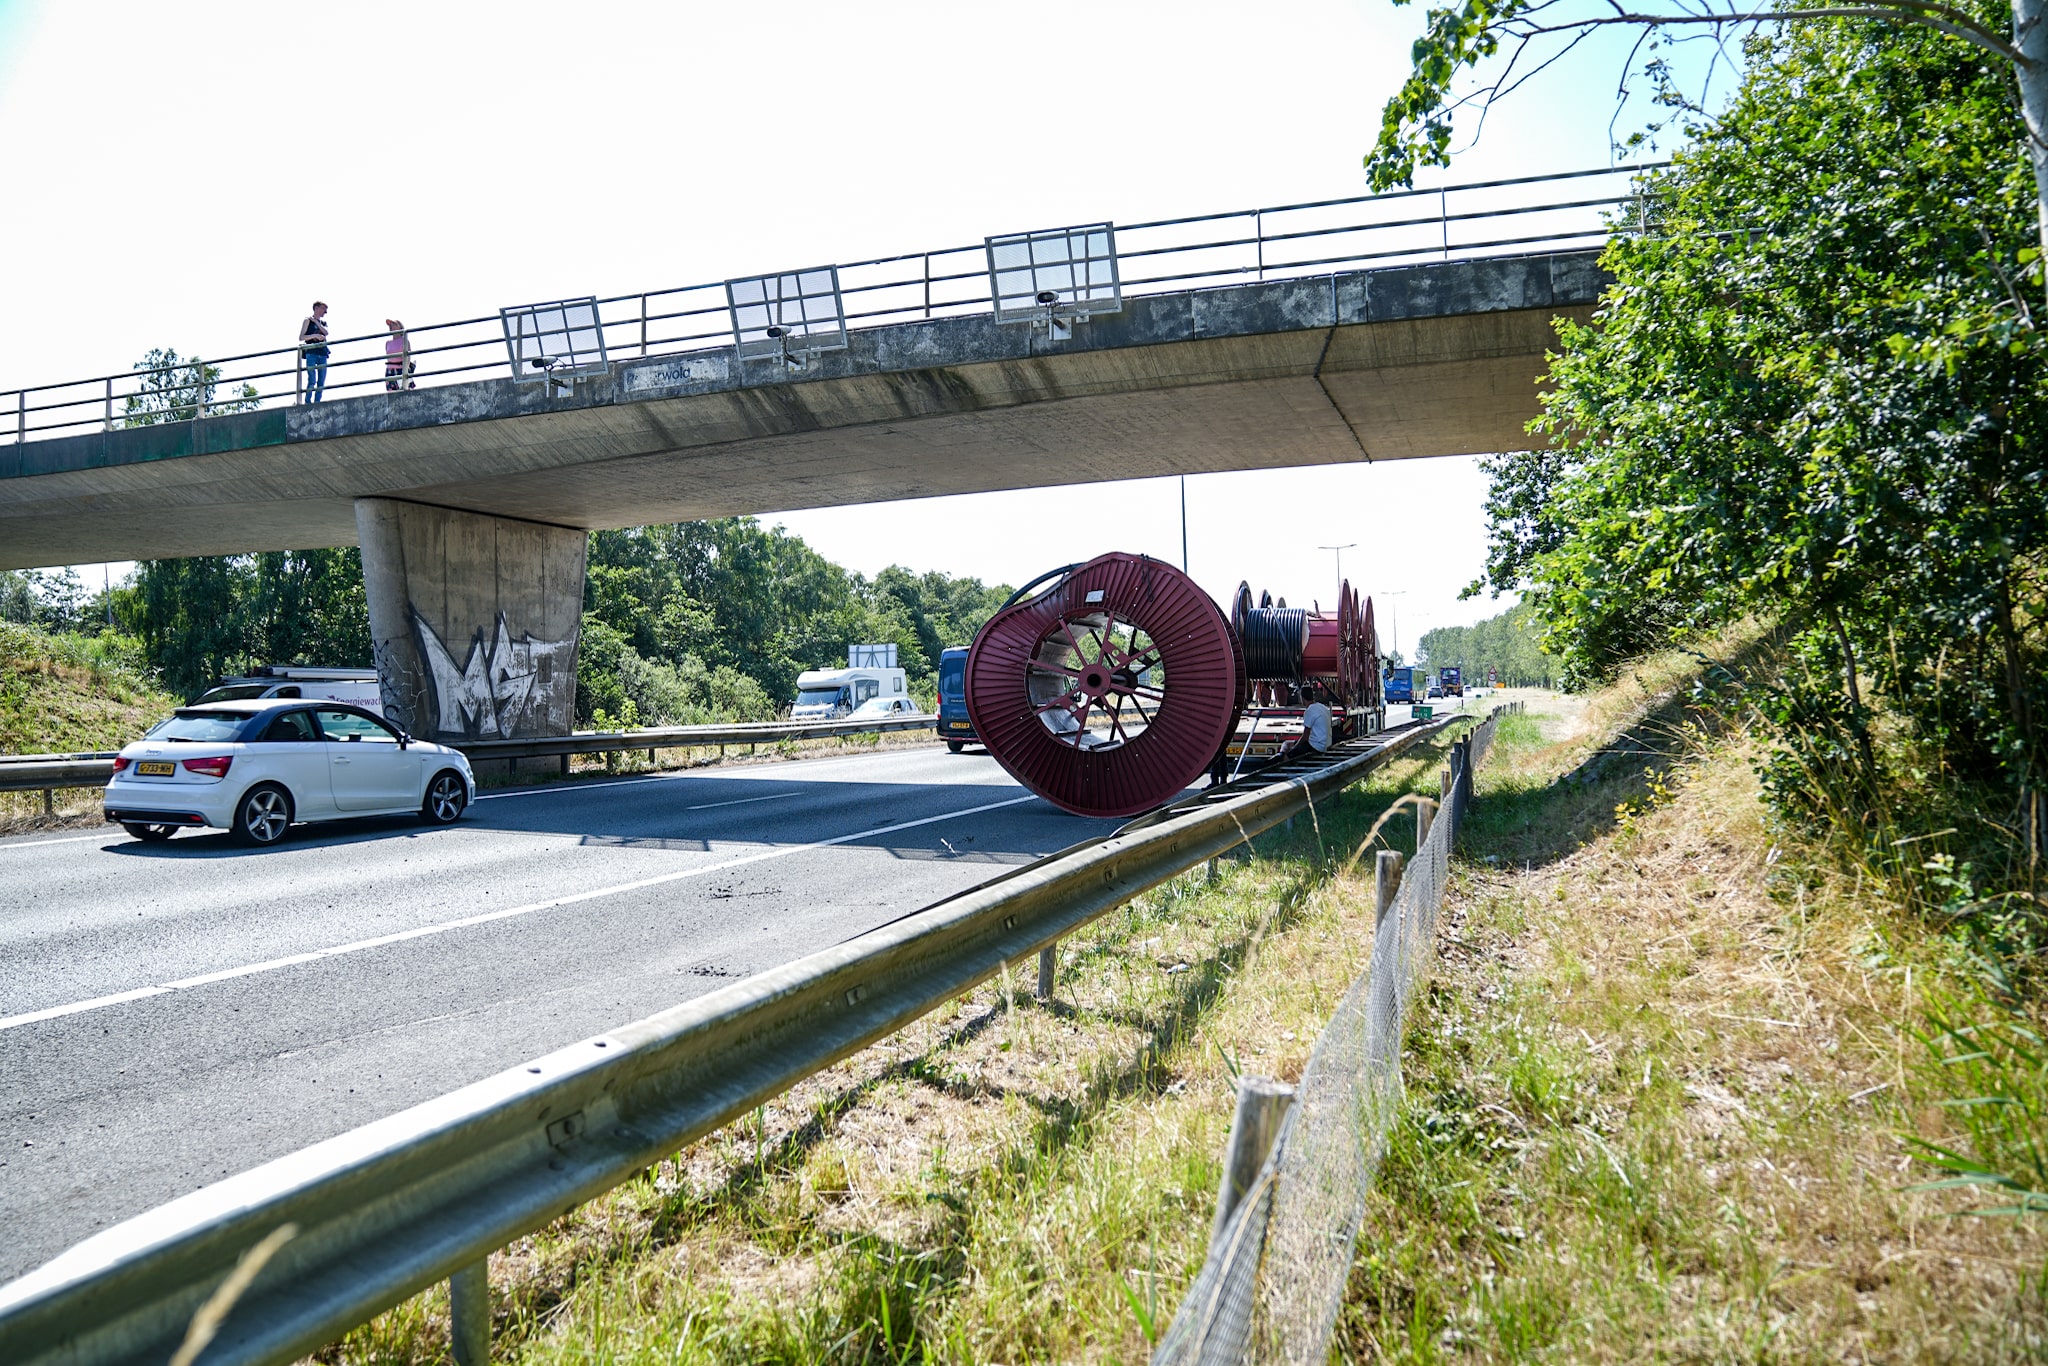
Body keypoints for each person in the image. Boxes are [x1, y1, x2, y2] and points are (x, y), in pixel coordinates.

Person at [299, 302, 330, 404]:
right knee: (312, 379)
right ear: (316, 308)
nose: (325, 312)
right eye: (323, 309)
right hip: (311, 352)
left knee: (321, 381)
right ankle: (307, 401)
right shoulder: (307, 321)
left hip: (322, 353)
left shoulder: (323, 323)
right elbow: (301, 337)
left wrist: (317, 323)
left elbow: (326, 333)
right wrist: (314, 336)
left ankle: (317, 402)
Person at [384, 319, 414, 392]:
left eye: (394, 324)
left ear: (400, 327)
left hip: (401, 370)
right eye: (390, 325)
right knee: (392, 397)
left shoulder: (405, 340)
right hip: (390, 372)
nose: (391, 326)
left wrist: (406, 371)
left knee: (405, 394)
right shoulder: (387, 343)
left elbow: (408, 357)